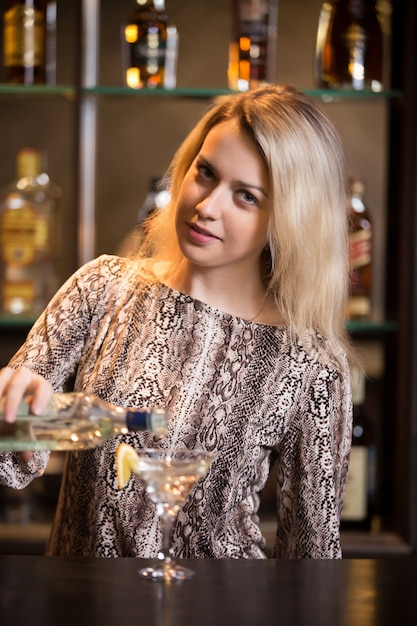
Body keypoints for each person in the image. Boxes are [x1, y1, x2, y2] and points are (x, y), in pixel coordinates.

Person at [0, 84, 354, 559]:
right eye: (205, 172)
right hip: (80, 604)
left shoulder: (311, 365)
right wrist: (10, 414)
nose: (207, 206)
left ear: (288, 219)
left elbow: (314, 559)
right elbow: (12, 462)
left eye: (246, 196)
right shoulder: (103, 288)